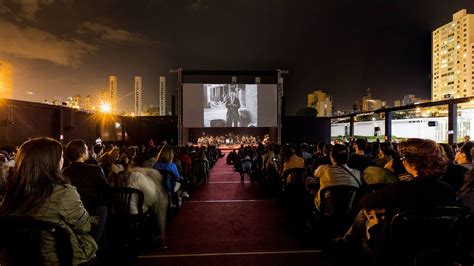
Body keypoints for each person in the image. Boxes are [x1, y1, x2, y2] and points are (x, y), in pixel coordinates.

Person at [0, 137, 97, 264]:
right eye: (61, 157)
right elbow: (84, 226)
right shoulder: (64, 193)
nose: (63, 160)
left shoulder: (12, 192)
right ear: (52, 162)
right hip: (58, 260)